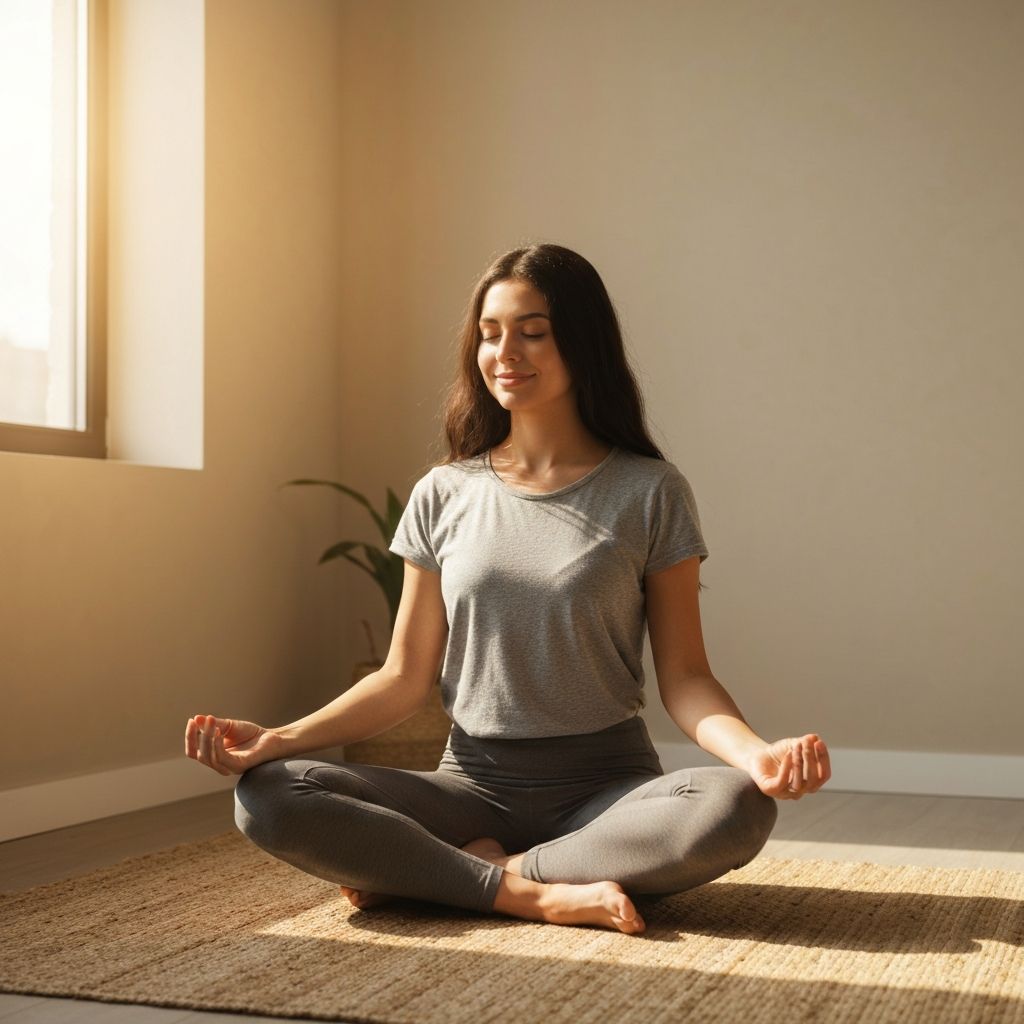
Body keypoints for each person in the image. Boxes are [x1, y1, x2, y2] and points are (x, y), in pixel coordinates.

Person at [185, 243, 831, 936]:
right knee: (271, 796)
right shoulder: (444, 492)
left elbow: (686, 677)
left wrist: (755, 755)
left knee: (735, 805)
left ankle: (469, 873)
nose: (504, 352)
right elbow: (404, 678)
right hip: (469, 784)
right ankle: (530, 891)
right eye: (489, 335)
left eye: (532, 331)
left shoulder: (650, 491)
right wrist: (276, 739)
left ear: (582, 342)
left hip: (606, 791)